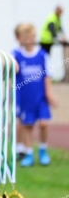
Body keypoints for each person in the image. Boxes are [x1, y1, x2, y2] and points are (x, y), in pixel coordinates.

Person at [13, 23, 58, 167]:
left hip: (41, 98)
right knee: (27, 125)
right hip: (25, 99)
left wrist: (49, 94)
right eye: (25, 37)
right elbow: (12, 76)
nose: (28, 40)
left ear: (34, 37)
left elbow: (47, 76)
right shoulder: (16, 56)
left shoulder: (42, 55)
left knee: (44, 124)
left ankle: (43, 150)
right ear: (21, 38)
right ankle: (29, 153)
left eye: (31, 37)